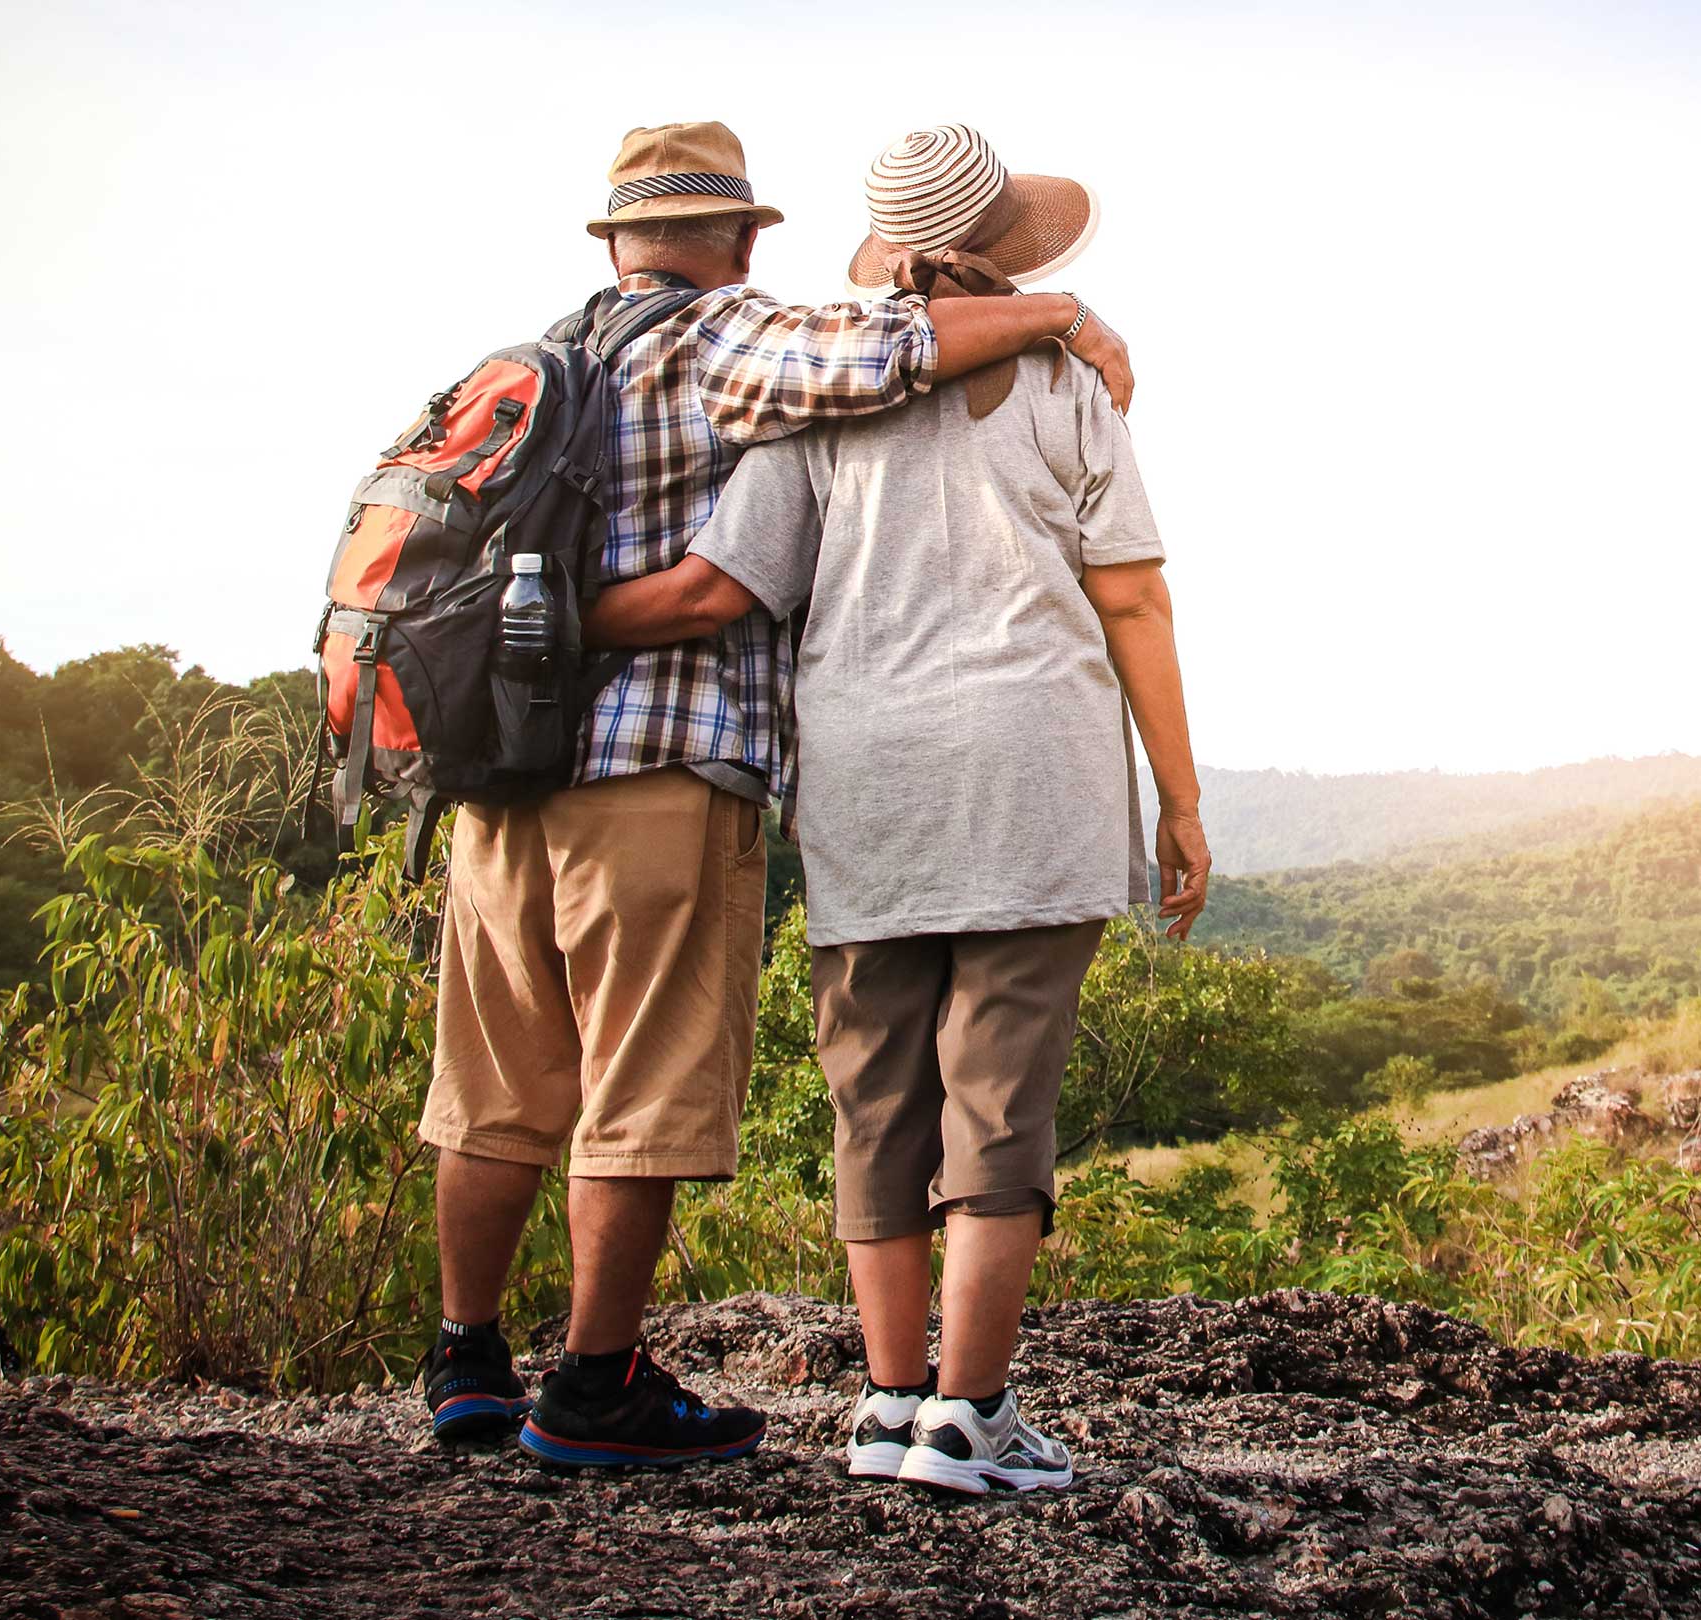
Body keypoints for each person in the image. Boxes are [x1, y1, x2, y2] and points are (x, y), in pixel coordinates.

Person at [416, 120, 1138, 1469]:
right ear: (742, 237)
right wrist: (1066, 313)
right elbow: (886, 357)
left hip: (499, 775)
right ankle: (592, 1384)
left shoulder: (536, 359)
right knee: (638, 1086)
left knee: (496, 1086)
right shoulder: (725, 339)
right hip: (651, 769)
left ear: (615, 238)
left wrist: (524, 632)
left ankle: (465, 1363)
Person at [582, 124, 1210, 1493]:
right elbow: (1133, 597)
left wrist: (531, 630)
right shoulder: (1065, 379)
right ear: (1012, 246)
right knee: (1000, 1098)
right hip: (1032, 770)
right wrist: (1179, 794)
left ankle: (885, 1408)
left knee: (877, 1101)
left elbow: (725, 585)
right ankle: (971, 1420)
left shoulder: (822, 403)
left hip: (865, 785)